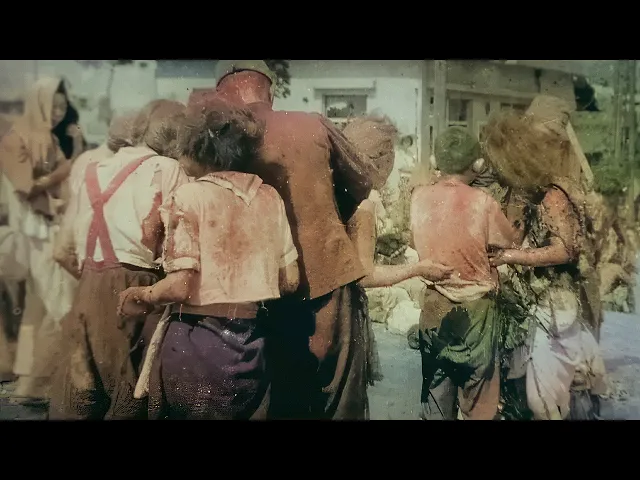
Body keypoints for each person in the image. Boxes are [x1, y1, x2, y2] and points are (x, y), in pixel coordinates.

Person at [195, 60, 391, 419]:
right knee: (340, 403)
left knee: (277, 400)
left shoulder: (213, 143)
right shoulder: (311, 123)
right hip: (327, 282)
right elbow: (362, 181)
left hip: (257, 295)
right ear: (269, 91)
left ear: (222, 95)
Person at [118, 101, 301, 420]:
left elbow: (180, 286)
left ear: (200, 148)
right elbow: (291, 281)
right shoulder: (269, 197)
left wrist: (143, 295)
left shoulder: (189, 197)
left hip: (197, 343)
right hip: (251, 344)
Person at [48, 99, 189, 420]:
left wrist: (97, 284)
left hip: (86, 288)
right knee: (131, 397)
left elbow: (61, 251)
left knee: (81, 398)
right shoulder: (168, 169)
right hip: (138, 290)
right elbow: (180, 247)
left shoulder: (93, 169)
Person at [482, 103, 607, 421]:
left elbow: (566, 249)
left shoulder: (554, 195)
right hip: (541, 305)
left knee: (547, 399)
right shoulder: (529, 191)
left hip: (558, 304)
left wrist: (511, 256)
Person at [342, 114, 455, 402]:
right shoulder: (365, 202)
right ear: (381, 158)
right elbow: (365, 275)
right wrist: (418, 269)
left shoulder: (341, 188)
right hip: (344, 310)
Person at [410, 127, 519, 420]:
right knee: (479, 402)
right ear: (477, 164)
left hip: (434, 309)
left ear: (436, 162)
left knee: (436, 396)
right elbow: (508, 241)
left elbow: (414, 241)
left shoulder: (418, 197)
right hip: (477, 315)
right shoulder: (483, 202)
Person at [0, 77, 84, 403]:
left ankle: (29, 381)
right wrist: (64, 171)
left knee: (38, 308)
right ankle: (47, 382)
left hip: (45, 227)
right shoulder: (14, 138)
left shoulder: (47, 136)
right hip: (32, 231)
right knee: (57, 302)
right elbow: (25, 187)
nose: (59, 112)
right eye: (53, 106)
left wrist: (75, 148)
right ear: (38, 104)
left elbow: (65, 176)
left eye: (62, 107)